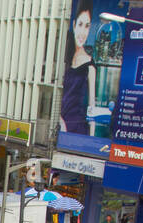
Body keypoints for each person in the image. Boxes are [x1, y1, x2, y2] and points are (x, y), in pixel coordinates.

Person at [60, 0, 97, 135]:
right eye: (80, 24)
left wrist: (92, 139)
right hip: (61, 126)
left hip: (78, 130)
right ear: (74, 25)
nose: (83, 32)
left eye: (87, 26)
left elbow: (92, 106)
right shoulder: (66, 60)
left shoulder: (90, 66)